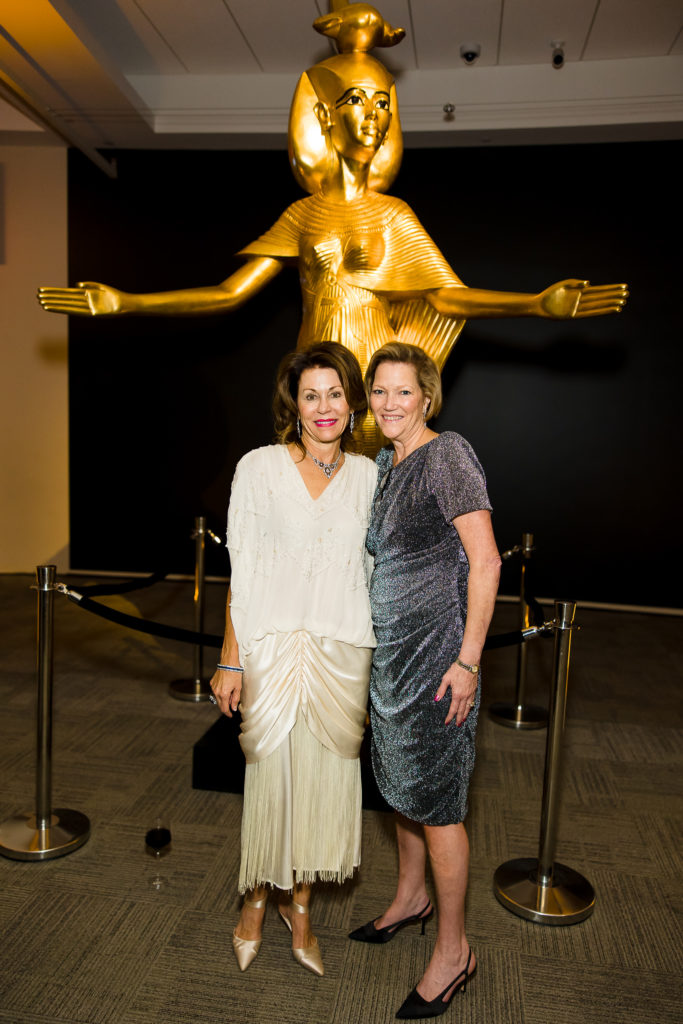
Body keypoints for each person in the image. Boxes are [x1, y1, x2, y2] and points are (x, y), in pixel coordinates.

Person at [37, 4, 627, 456]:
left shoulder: (394, 213)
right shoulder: (303, 215)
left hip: (375, 380)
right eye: (356, 102)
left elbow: (446, 295)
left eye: (381, 106)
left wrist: (535, 305)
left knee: (368, 504)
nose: (372, 118)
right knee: (313, 501)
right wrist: (128, 302)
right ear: (324, 115)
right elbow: (229, 293)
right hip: (315, 373)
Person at [210, 341, 377, 978]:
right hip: (273, 650)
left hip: (342, 653)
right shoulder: (258, 468)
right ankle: (256, 896)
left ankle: (299, 904)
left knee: (325, 789)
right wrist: (231, 660)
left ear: (352, 401)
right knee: (272, 784)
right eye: (312, 395)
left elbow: (379, 571)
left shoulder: (370, 476)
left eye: (336, 393)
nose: (325, 407)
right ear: (295, 405)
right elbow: (241, 570)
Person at [348, 341, 501, 1020]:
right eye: (377, 391)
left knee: (437, 805)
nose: (387, 404)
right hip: (392, 662)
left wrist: (467, 661)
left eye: (401, 391)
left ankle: (453, 951)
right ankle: (409, 898)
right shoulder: (387, 461)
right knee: (401, 787)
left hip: (437, 665)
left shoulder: (447, 454)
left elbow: (487, 561)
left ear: (427, 397)